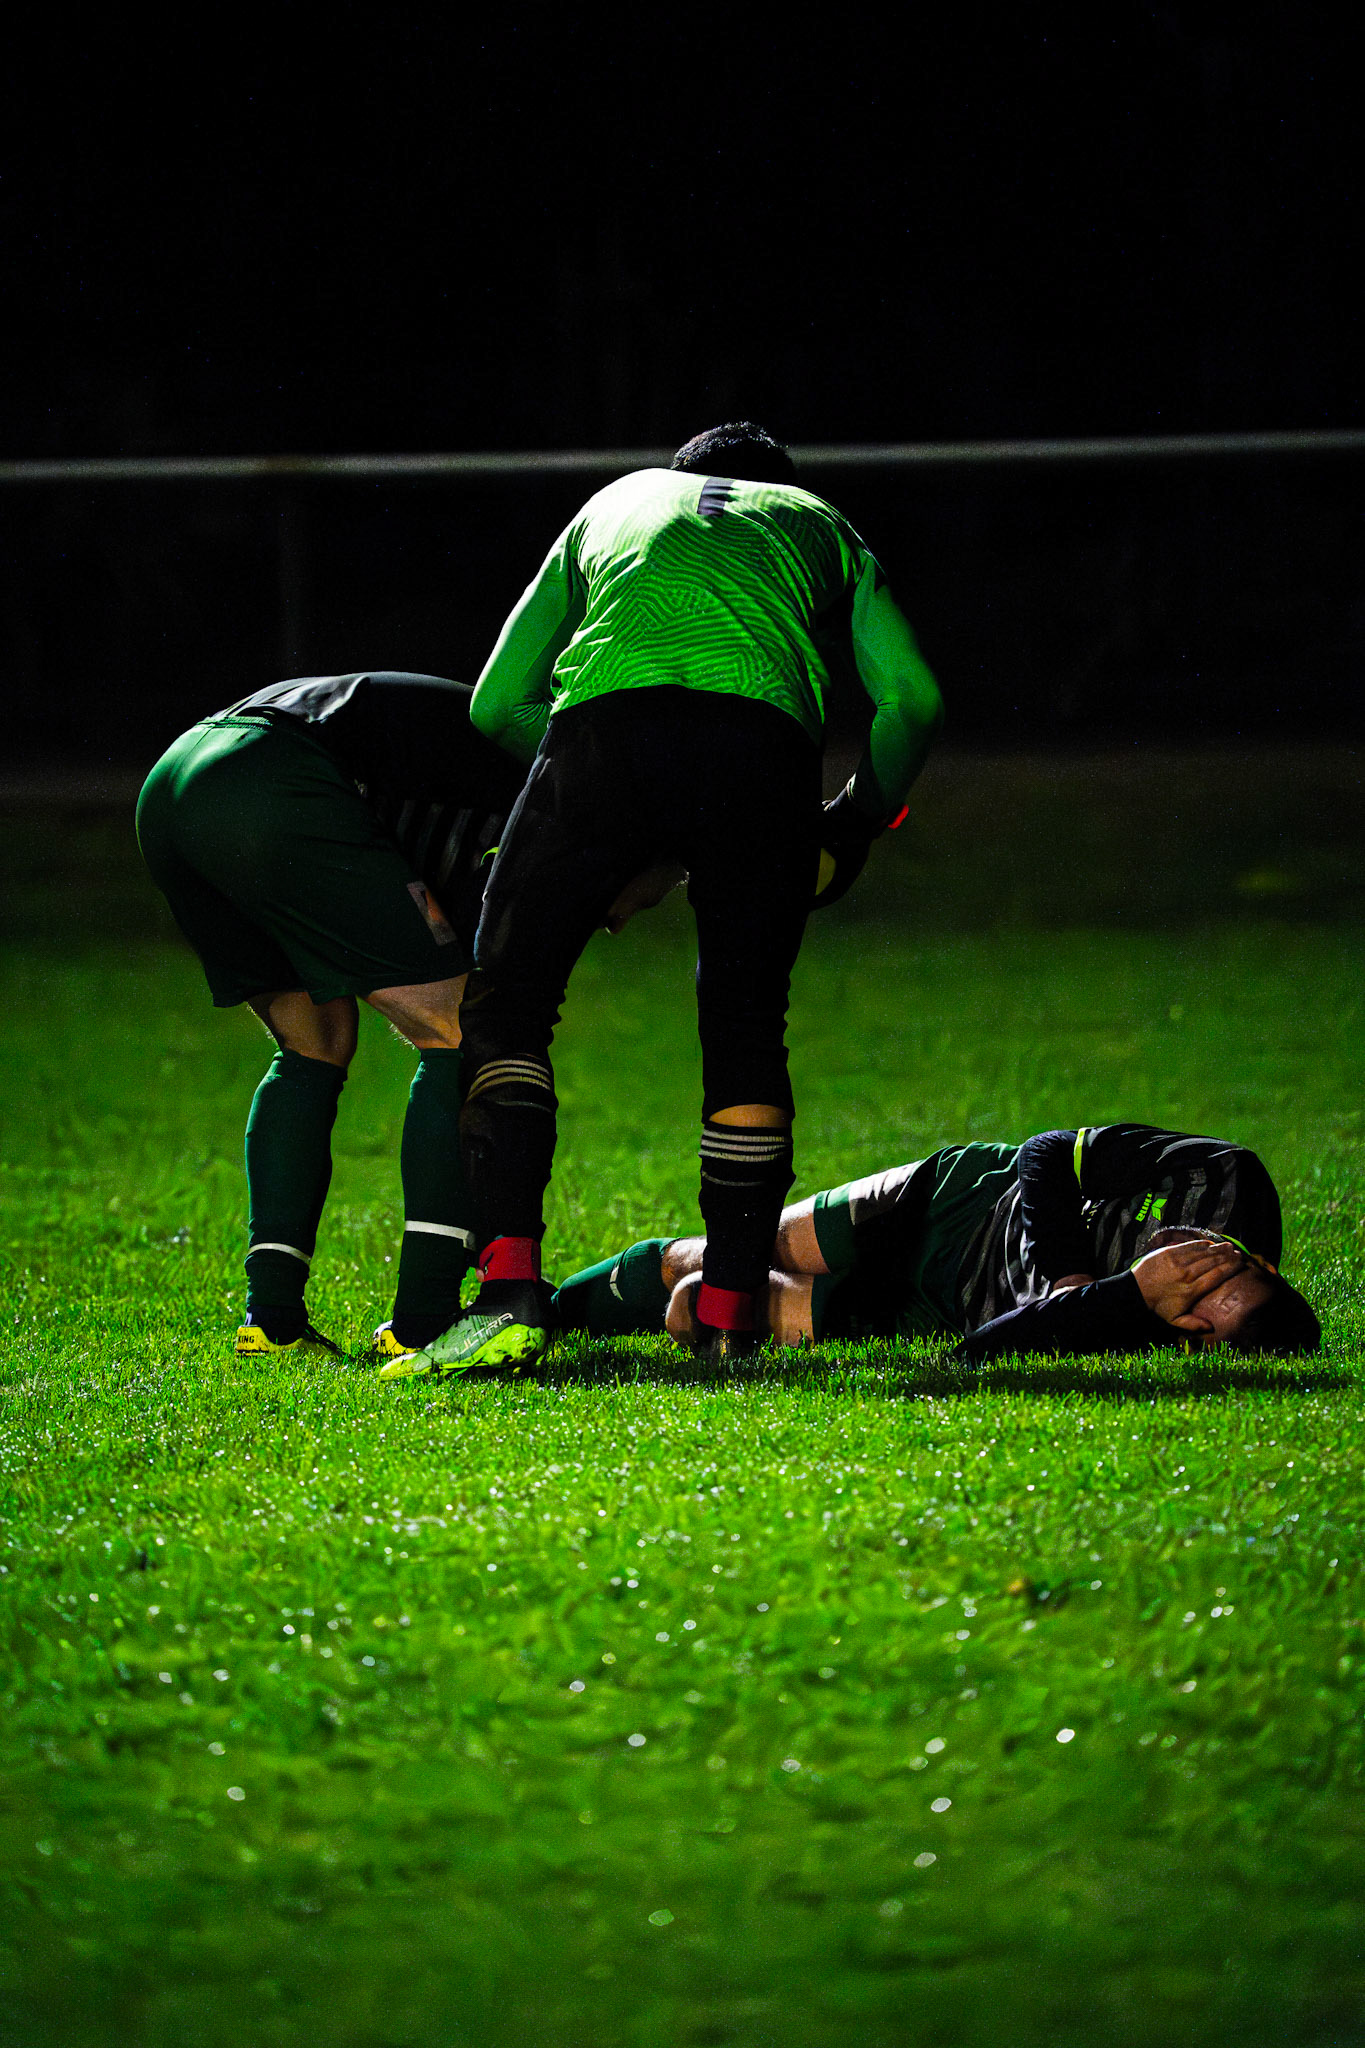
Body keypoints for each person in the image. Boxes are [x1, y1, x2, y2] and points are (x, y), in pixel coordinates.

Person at [391, 421, 944, 1380]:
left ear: (677, 478)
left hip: (604, 735)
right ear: (781, 487)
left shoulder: (612, 501)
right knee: (742, 1027)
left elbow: (494, 704)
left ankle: (509, 1293)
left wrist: (599, 800)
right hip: (761, 755)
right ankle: (732, 1309)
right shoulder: (819, 521)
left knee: (508, 1007)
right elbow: (912, 702)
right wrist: (857, 816)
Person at [136, 671, 528, 1362]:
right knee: (462, 1032)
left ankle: (273, 1319)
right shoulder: (553, 784)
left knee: (313, 1039)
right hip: (273, 776)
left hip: (175, 779)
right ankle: (425, 1319)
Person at [553, 1123, 1321, 1359]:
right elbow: (1047, 1151)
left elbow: (973, 1355)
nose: (1186, 1269)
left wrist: (1115, 1299)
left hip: (935, 1307)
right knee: (717, 1253)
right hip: (955, 1200)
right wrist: (1065, 1276)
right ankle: (541, 1315)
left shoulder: (1149, 1335)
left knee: (698, 1307)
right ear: (1259, 1258)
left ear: (1191, 1333)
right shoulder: (1223, 1180)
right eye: (1217, 1265)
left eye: (1191, 1303)